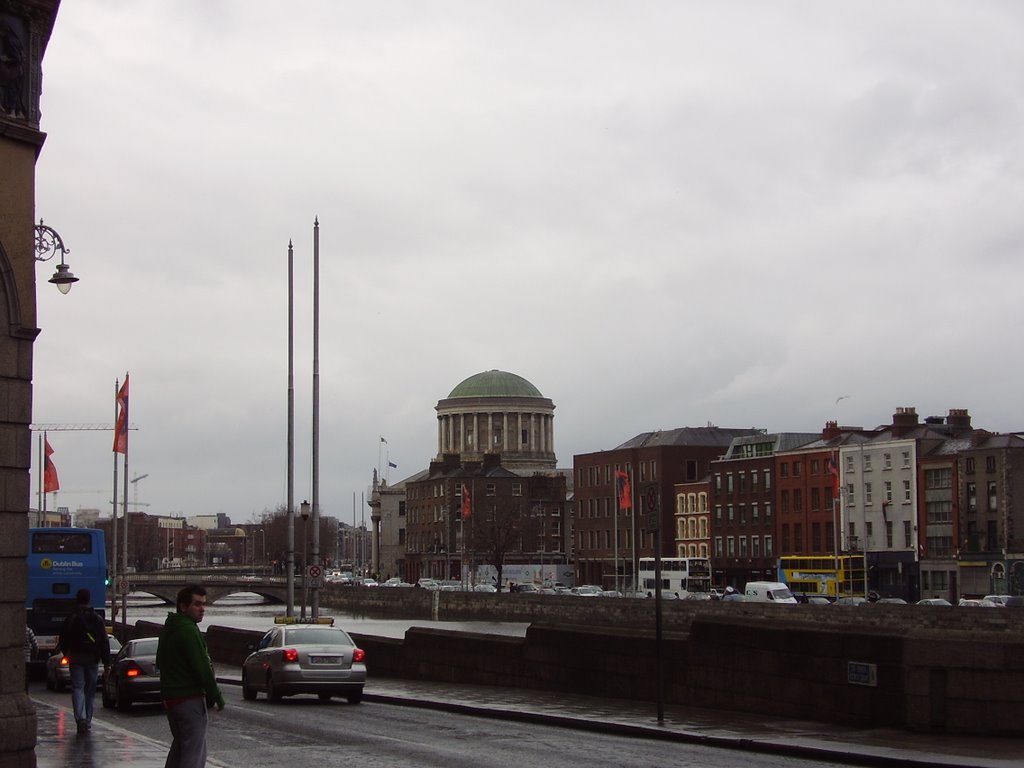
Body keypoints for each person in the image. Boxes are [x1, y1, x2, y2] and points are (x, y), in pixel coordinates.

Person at [158, 584, 225, 768]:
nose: (202, 609)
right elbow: (202, 667)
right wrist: (216, 696)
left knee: (180, 746)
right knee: (194, 751)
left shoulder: (169, 628)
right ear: (183, 606)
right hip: (189, 698)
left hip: (171, 698)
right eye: (197, 604)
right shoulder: (189, 630)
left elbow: (159, 662)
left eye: (203, 604)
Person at [57, 588, 111, 734]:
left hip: (75, 657)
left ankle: (80, 718)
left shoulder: (72, 617)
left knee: (78, 687)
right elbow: (104, 641)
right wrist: (107, 663)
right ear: (89, 600)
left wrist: (67, 653)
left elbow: (63, 638)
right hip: (93, 658)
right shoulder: (97, 619)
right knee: (90, 690)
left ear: (77, 599)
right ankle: (87, 720)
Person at [24, 625, 37, 691]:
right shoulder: (29, 631)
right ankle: (26, 692)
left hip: (16, 659)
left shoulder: (15, 631)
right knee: (26, 677)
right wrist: (34, 655)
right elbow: (35, 645)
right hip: (27, 658)